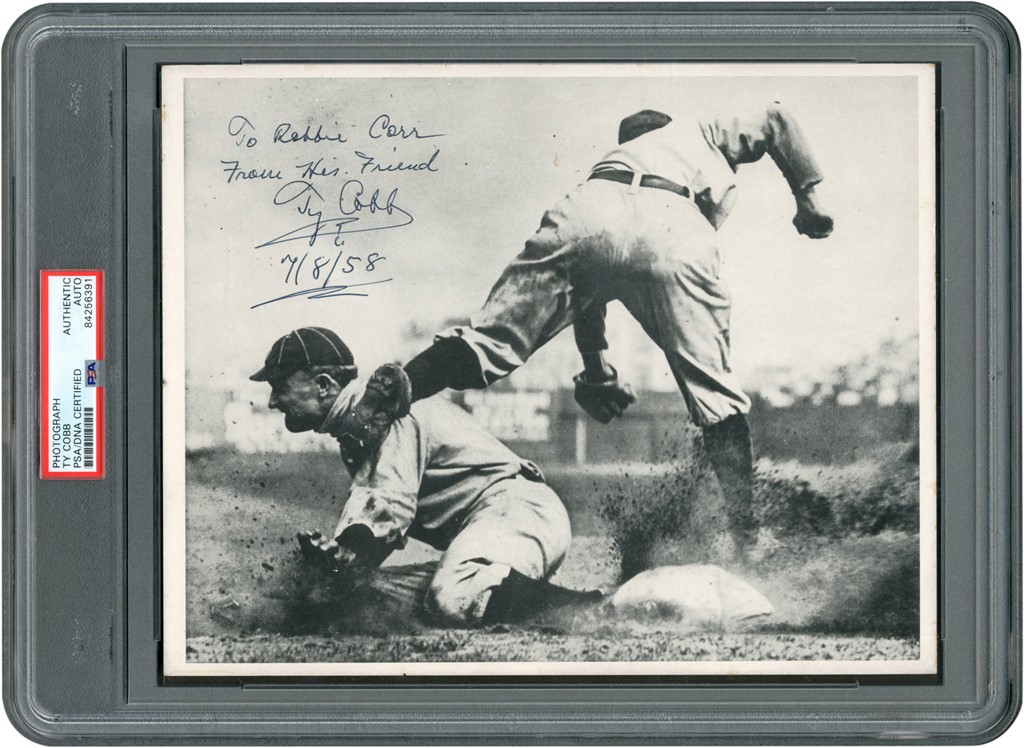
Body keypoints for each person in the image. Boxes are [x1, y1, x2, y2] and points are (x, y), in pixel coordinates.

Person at [341, 102, 835, 555]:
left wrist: (598, 373)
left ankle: (402, 384)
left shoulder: (607, 168)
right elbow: (776, 119)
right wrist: (807, 197)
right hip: (674, 222)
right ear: (665, 131)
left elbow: (587, 302)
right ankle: (747, 544)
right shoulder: (697, 133)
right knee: (718, 399)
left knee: (487, 343)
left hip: (586, 215)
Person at [250, 327, 601, 625]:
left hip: (515, 511)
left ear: (324, 384)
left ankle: (595, 610)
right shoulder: (357, 425)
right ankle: (508, 585)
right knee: (363, 600)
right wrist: (337, 570)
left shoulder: (384, 410)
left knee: (452, 596)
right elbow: (378, 514)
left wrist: (346, 558)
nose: (272, 401)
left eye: (280, 386)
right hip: (494, 526)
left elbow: (389, 509)